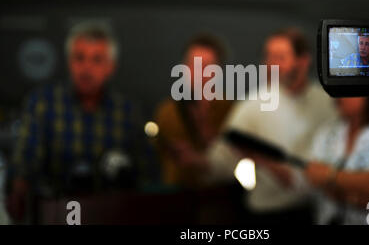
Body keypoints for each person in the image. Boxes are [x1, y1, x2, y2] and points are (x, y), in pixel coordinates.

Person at [7, 22, 157, 222]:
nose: (87, 67)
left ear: (110, 67)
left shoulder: (127, 112)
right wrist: (19, 184)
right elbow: (25, 158)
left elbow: (147, 171)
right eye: (80, 58)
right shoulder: (43, 104)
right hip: (55, 215)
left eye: (96, 60)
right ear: (69, 62)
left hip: (112, 217)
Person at [205, 27, 337, 224]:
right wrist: (199, 162)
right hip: (268, 213)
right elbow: (221, 157)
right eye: (268, 57)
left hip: (316, 211)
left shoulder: (328, 102)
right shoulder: (253, 105)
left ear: (303, 60)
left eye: (280, 57)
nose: (270, 64)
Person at [153, 33, 233, 187]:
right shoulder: (167, 111)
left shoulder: (230, 110)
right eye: (191, 64)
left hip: (219, 194)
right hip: (177, 194)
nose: (197, 73)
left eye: (205, 67)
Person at [303, 97, 369, 224]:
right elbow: (311, 176)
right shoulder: (326, 132)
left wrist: (330, 176)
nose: (340, 96)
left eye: (350, 89)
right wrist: (358, 190)